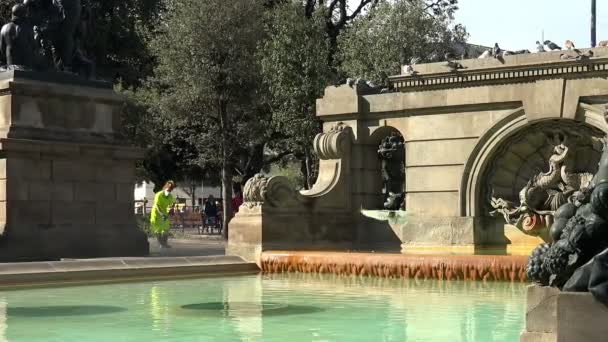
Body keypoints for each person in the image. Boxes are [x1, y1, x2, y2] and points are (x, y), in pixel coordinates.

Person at [150, 181, 176, 248]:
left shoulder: (170, 196)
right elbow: (157, 205)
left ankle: (165, 244)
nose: (169, 190)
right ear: (165, 187)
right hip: (156, 213)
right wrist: (161, 214)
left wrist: (172, 210)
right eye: (168, 188)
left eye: (171, 189)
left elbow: (172, 203)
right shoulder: (159, 194)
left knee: (165, 228)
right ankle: (161, 244)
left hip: (164, 213)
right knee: (158, 229)